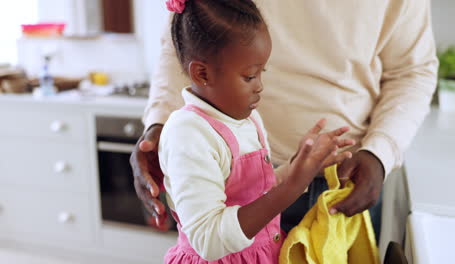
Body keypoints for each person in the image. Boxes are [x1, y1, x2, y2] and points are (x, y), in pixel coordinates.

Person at [131, 0, 438, 244]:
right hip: (230, 185)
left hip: (344, 184)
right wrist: (158, 125)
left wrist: (380, 153)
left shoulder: (254, 124)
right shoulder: (195, 137)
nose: (261, 87)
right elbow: (181, 42)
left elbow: (412, 72)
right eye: (252, 76)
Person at [154, 0, 355, 262]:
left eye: (262, 72)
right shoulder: (188, 134)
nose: (260, 86)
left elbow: (257, 191)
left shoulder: (247, 120)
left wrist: (300, 167)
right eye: (250, 76)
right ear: (202, 73)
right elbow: (208, 239)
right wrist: (293, 187)